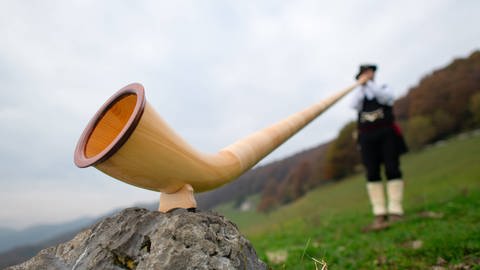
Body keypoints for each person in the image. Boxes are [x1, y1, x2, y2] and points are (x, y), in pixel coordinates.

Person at [351, 64, 407, 231]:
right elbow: (353, 105)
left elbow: (384, 98)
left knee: (392, 168)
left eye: (369, 72)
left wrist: (369, 83)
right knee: (372, 172)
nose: (367, 75)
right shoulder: (359, 95)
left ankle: (395, 210)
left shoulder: (383, 88)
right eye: (363, 73)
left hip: (386, 133)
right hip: (367, 138)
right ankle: (379, 212)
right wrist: (361, 87)